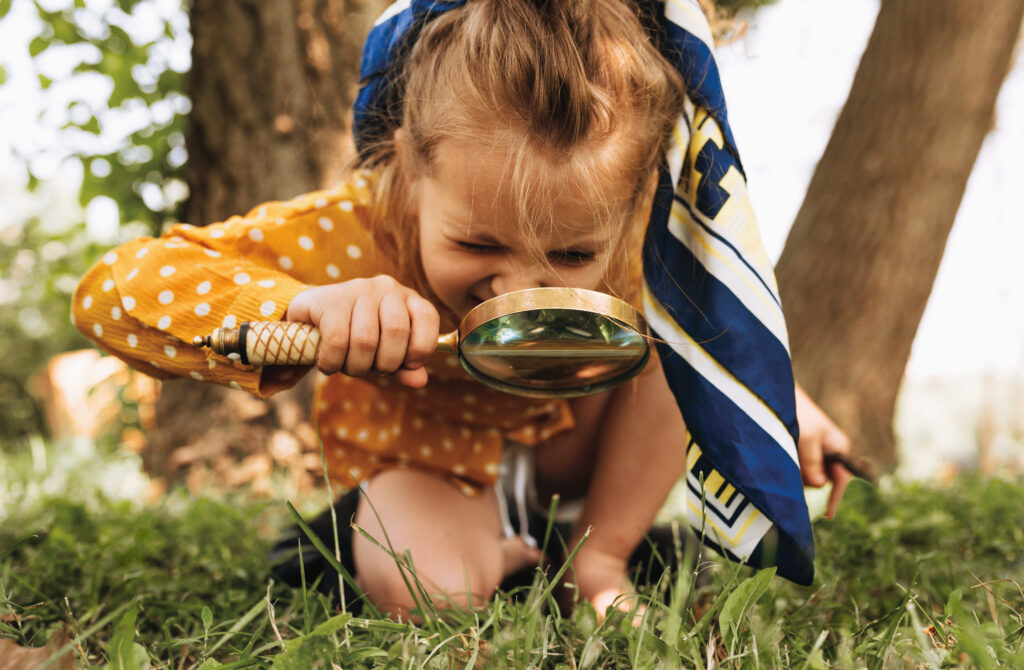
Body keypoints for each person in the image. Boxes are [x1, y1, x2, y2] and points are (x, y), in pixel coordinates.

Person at [72, 0, 850, 619]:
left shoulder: (648, 232)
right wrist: (302, 305)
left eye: (571, 255)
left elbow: (718, 337)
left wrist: (786, 408)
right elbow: (113, 291)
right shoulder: (360, 230)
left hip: (578, 471)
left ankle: (600, 558)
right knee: (428, 588)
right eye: (479, 243)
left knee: (681, 327)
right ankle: (495, 559)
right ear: (413, 163)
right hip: (432, 474)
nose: (519, 292)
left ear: (636, 191)